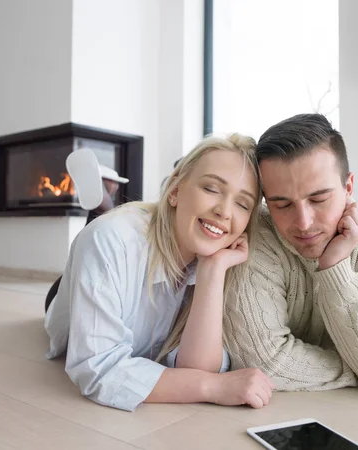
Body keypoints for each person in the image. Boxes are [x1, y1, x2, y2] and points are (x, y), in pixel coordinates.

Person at [45, 133, 274, 411]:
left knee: (111, 230)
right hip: (70, 291)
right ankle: (103, 206)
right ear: (175, 189)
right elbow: (98, 370)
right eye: (212, 188)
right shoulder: (109, 241)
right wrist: (214, 387)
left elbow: (195, 366)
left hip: (131, 252)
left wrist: (212, 272)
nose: (224, 211)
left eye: (242, 203)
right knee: (103, 232)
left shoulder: (220, 260)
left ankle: (105, 202)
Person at [224, 114, 358, 393]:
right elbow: (261, 361)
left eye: (318, 199)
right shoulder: (257, 231)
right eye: (281, 205)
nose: (304, 223)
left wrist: (336, 266)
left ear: (349, 187)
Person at [44, 165, 128, 313]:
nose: (117, 186)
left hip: (59, 300)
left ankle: (104, 207)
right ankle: (104, 207)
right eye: (115, 182)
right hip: (60, 302)